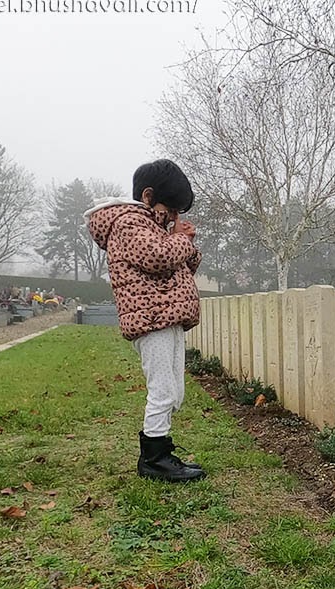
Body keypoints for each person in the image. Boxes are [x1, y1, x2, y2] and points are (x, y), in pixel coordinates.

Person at [84, 159, 205, 483]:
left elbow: (179, 268)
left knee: (174, 392)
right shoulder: (128, 223)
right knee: (163, 390)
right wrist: (179, 240)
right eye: (172, 210)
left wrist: (186, 243)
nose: (175, 218)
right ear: (149, 196)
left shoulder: (154, 227)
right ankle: (154, 459)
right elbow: (159, 257)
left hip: (168, 315)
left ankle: (161, 449)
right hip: (150, 318)